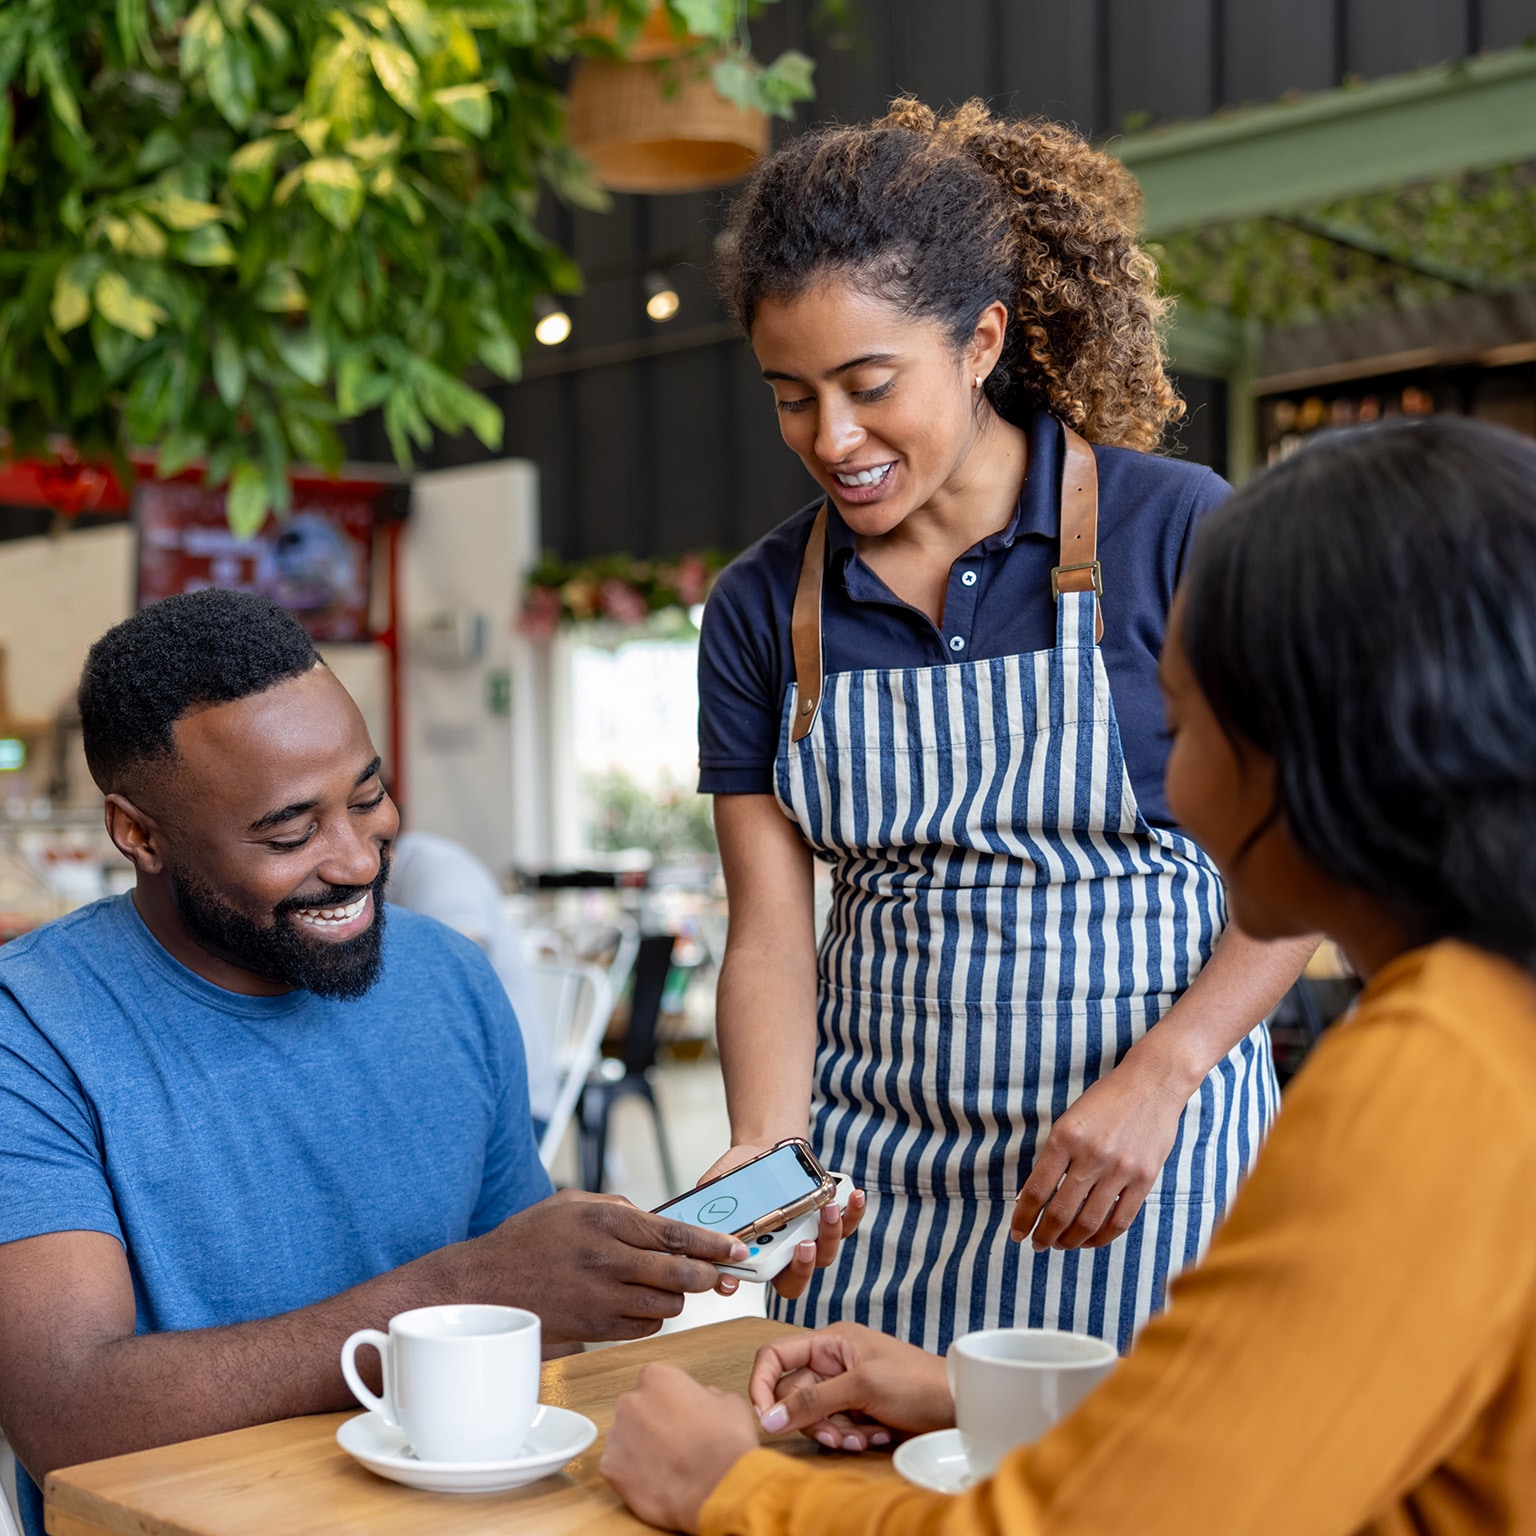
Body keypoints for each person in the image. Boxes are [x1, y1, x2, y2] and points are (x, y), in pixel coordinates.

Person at [600, 415, 1536, 1535]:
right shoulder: (1487, 1018)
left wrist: (730, 1491)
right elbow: (1275, 1421)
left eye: (1182, 724)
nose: (1174, 801)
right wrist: (964, 1392)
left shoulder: (1439, 1074)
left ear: (1325, 745)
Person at [695, 97, 1313, 1353]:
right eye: (792, 397)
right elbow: (770, 932)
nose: (835, 439)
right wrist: (768, 1147)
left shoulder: (1177, 529)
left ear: (981, 342)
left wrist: (1166, 1071)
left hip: (1148, 1170)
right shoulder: (762, 606)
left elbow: (1307, 853)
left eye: (871, 387)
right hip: (877, 1204)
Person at [0, 590, 747, 1536]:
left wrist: (624, 1269)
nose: (356, 859)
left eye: (367, 796)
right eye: (290, 832)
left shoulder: (446, 977)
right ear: (138, 833)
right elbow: (68, 1415)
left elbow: (524, 1315)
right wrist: (461, 1290)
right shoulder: (29, 1029)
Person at [386, 828, 559, 1130]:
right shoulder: (402, 872)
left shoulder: (441, 873)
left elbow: (454, 979)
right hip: (464, 1090)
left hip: (508, 1105)